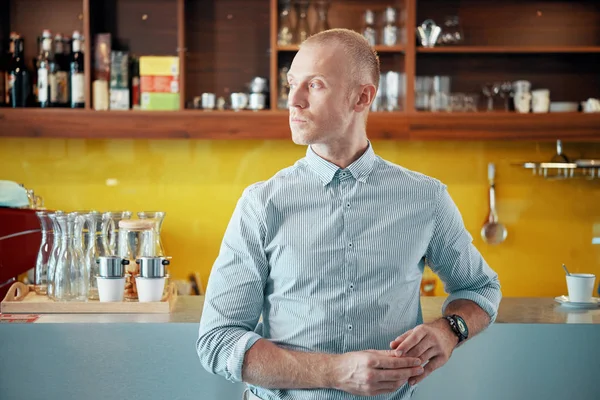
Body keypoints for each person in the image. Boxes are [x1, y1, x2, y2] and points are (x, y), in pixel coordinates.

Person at [197, 28, 502, 400]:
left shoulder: (426, 199)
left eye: (315, 85)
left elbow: (480, 287)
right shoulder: (261, 204)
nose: (293, 100)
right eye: (292, 83)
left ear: (362, 97)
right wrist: (336, 372)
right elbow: (217, 341)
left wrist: (450, 329)